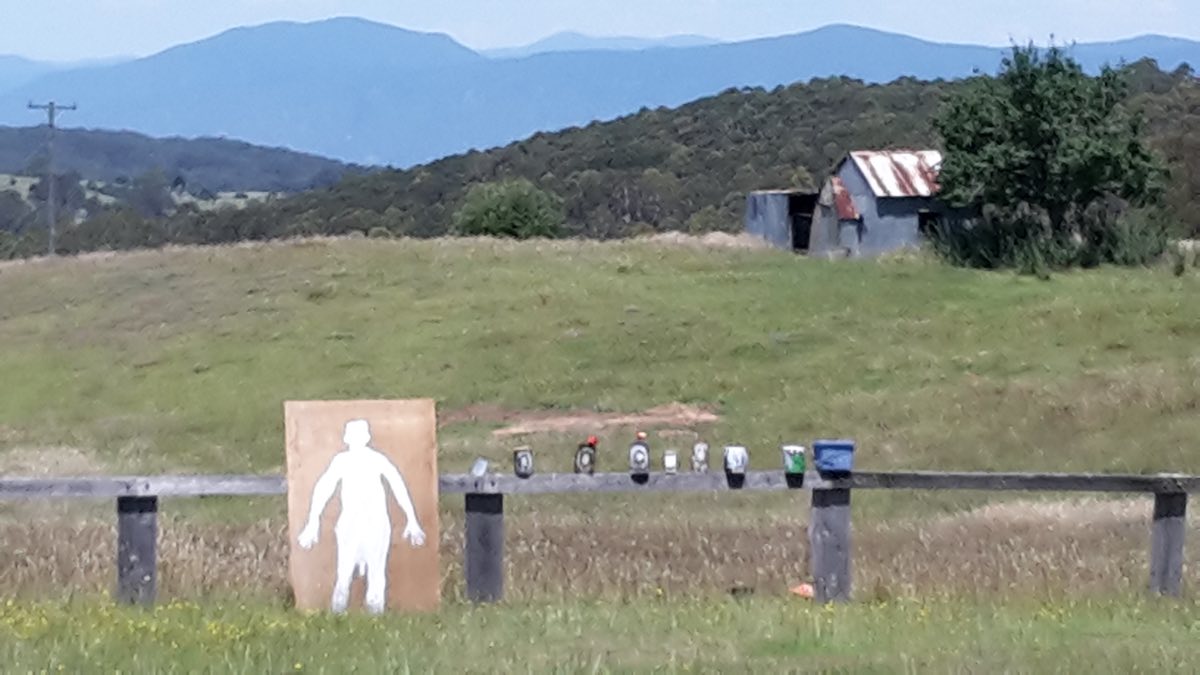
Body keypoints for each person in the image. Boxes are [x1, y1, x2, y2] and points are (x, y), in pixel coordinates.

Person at [297, 418, 425, 614]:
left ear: (365, 438)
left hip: (376, 523)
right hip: (351, 524)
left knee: (375, 574)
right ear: (348, 438)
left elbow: (398, 485)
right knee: (344, 575)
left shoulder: (376, 460)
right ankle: (337, 619)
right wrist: (312, 521)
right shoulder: (342, 461)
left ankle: (373, 620)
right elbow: (324, 488)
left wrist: (412, 519)